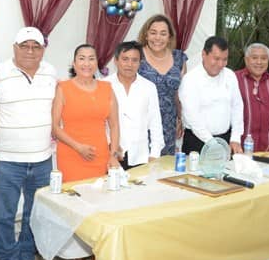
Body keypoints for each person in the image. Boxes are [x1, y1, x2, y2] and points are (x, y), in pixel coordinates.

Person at [0, 27, 57, 260]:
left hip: (42, 159)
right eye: (24, 45)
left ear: (43, 50)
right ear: (14, 47)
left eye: (36, 46)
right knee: (4, 214)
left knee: (36, 214)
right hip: (7, 159)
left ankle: (26, 257)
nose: (30, 50)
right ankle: (7, 259)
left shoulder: (51, 72)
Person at [51, 43, 121, 260]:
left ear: (96, 64)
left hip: (100, 155)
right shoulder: (63, 88)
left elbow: (114, 124)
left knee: (98, 205)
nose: (86, 63)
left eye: (91, 58)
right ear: (74, 63)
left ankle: (94, 250)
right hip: (71, 154)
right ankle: (77, 254)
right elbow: (55, 127)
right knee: (76, 205)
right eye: (81, 58)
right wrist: (78, 146)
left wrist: (112, 155)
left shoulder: (107, 88)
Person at [179, 36, 244, 154]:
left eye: (224, 59)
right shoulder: (190, 80)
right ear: (204, 54)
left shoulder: (230, 76)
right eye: (216, 58)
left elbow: (237, 107)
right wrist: (213, 144)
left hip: (225, 139)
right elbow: (193, 117)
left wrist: (235, 138)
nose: (220, 64)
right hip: (197, 142)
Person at [104, 41, 165, 168]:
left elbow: (155, 123)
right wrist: (111, 144)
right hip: (110, 155)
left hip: (140, 156)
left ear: (140, 63)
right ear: (116, 61)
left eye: (134, 60)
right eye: (125, 59)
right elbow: (99, 122)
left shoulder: (149, 87)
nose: (129, 64)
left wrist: (154, 154)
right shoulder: (104, 85)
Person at [137, 14, 187, 155]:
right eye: (153, 33)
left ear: (169, 37)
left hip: (168, 123)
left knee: (163, 169)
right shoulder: (136, 56)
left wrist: (180, 118)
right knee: (140, 168)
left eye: (163, 33)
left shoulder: (179, 58)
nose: (157, 38)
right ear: (146, 35)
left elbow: (179, 93)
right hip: (142, 122)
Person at [235, 43, 269, 153]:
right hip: (238, 150)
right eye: (254, 58)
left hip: (266, 150)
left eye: (264, 58)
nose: (259, 62)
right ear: (246, 60)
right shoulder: (234, 79)